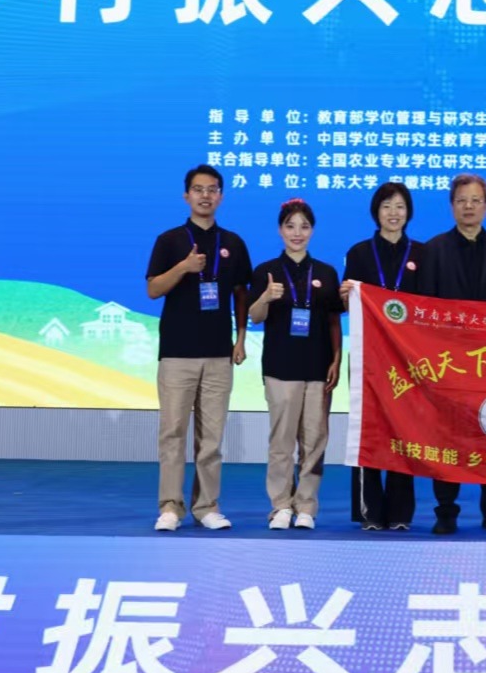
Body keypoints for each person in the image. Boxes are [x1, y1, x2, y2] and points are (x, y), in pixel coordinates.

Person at [145, 165, 252, 532]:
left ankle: (206, 506)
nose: (205, 195)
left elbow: (241, 294)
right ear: (186, 195)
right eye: (198, 189)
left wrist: (240, 339)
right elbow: (153, 289)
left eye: (212, 189)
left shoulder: (234, 243)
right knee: (172, 433)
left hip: (219, 353)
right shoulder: (169, 240)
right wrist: (184, 267)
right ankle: (170, 507)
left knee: (211, 438)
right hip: (177, 352)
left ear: (221, 196)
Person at [419, 173, 486, 535]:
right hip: (449, 362)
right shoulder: (432, 249)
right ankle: (445, 513)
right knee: (447, 438)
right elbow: (424, 309)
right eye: (462, 200)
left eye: (476, 200)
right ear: (451, 205)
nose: (468, 207)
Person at [248, 198, 342, 531]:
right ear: (280, 230)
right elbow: (254, 316)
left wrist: (336, 359)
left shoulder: (327, 273)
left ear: (312, 230)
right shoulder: (266, 271)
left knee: (314, 442)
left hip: (318, 368)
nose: (297, 233)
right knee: (282, 442)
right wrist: (265, 297)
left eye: (304, 226)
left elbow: (333, 321)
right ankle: (280, 505)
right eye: (290, 226)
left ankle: (306, 506)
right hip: (280, 368)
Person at [340, 181, 425, 530]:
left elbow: (430, 306)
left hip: (408, 359)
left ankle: (401, 512)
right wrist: (346, 295)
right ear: (376, 211)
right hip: (368, 358)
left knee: (406, 430)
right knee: (369, 429)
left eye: (400, 206)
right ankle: (370, 510)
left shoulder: (422, 254)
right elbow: (347, 306)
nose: (394, 213)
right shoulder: (359, 253)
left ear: (409, 213)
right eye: (387, 206)